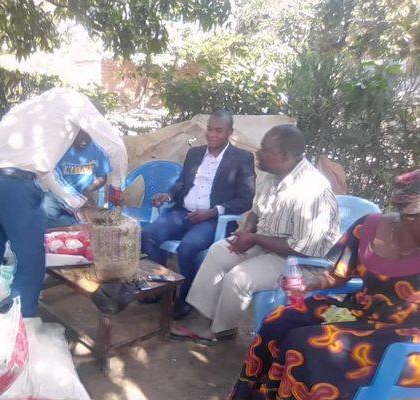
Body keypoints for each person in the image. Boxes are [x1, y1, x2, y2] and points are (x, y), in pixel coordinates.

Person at [229, 169, 420, 400]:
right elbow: (337, 275)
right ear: (410, 214)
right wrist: (308, 285)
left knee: (304, 345)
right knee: (279, 321)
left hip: (404, 337)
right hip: (358, 311)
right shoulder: (368, 227)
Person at [0, 88, 127, 317]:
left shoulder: (32, 109)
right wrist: (117, 187)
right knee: (31, 259)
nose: (83, 138)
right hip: (14, 187)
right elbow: (116, 146)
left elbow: (44, 171)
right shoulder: (78, 103)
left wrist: (74, 202)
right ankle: (21, 323)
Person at [173, 124, 339, 341]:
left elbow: (304, 249)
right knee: (217, 252)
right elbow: (256, 211)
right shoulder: (272, 176)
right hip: (265, 244)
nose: (258, 153)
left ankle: (221, 330)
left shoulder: (312, 190)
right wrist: (248, 230)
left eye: (264, 149)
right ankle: (204, 318)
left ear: (285, 155)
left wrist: (254, 238)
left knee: (238, 278)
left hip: (298, 261)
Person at [141, 110, 256, 318]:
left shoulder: (241, 158)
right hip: (183, 213)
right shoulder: (195, 153)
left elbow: (245, 199)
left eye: (218, 130)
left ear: (229, 132)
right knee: (148, 233)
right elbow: (182, 183)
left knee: (188, 247)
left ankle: (185, 299)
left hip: (214, 220)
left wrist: (213, 211)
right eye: (209, 129)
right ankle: (158, 288)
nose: (212, 134)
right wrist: (167, 195)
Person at [42, 129, 112, 226]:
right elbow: (49, 175)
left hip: (84, 199)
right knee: (48, 222)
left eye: (87, 134)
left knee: (86, 228)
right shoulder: (59, 149)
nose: (83, 139)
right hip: (56, 196)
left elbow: (102, 177)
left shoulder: (99, 151)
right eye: (80, 134)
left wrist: (89, 189)